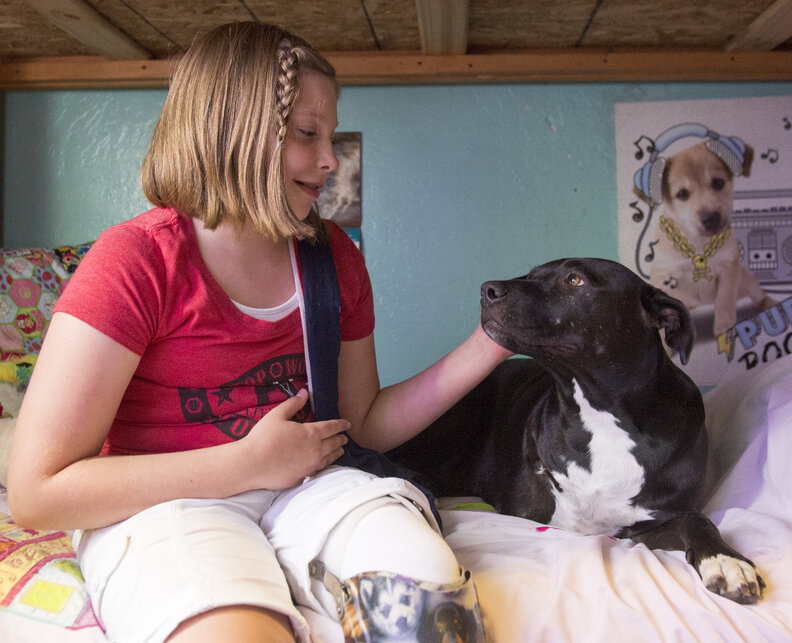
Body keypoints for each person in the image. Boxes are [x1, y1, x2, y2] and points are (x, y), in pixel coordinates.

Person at [7, 21, 511, 643]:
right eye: (307, 134)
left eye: (330, 136)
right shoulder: (135, 262)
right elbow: (37, 491)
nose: (330, 160)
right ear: (235, 131)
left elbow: (362, 423)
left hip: (309, 487)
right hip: (164, 504)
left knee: (427, 594)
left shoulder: (333, 259)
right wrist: (245, 464)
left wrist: (491, 341)